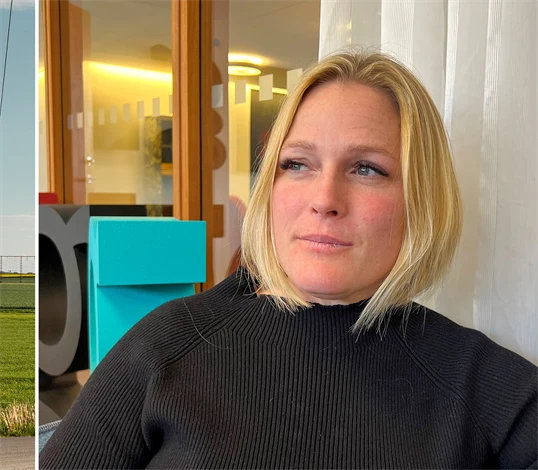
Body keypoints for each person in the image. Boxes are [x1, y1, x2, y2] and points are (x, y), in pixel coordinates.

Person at [40, 49, 538, 469]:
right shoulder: (166, 345)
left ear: (421, 198)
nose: (324, 199)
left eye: (366, 169)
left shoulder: (483, 386)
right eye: (297, 164)